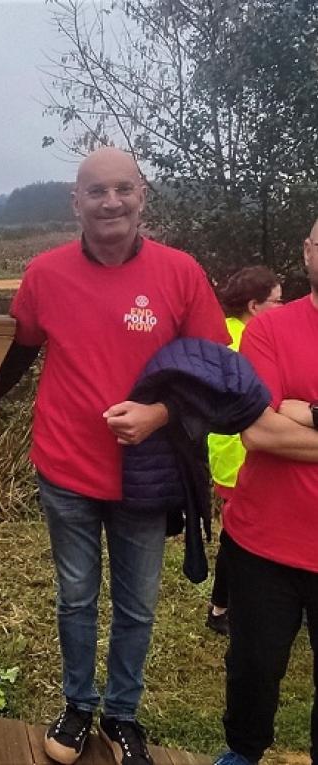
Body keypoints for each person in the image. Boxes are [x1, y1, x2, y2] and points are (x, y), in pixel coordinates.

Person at [0, 146, 228, 765]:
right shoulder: (45, 274)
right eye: (97, 192)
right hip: (66, 468)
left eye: (123, 189)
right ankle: (76, 705)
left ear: (142, 195)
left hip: (145, 476)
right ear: (76, 202)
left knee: (137, 604)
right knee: (74, 597)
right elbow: (16, 355)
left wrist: (160, 415)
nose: (111, 202)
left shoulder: (181, 273)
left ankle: (123, 715)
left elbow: (213, 373)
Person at [212, 220, 318, 765]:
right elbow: (257, 430)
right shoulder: (269, 331)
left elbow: (281, 423)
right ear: (307, 251)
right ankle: (242, 754)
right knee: (253, 667)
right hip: (264, 544)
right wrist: (283, 418)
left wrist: (302, 411)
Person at [205, 266, 281, 636]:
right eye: (277, 302)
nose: (282, 309)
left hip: (228, 450)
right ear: (254, 305)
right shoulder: (243, 344)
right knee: (237, 537)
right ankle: (221, 609)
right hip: (239, 454)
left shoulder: (226, 334)